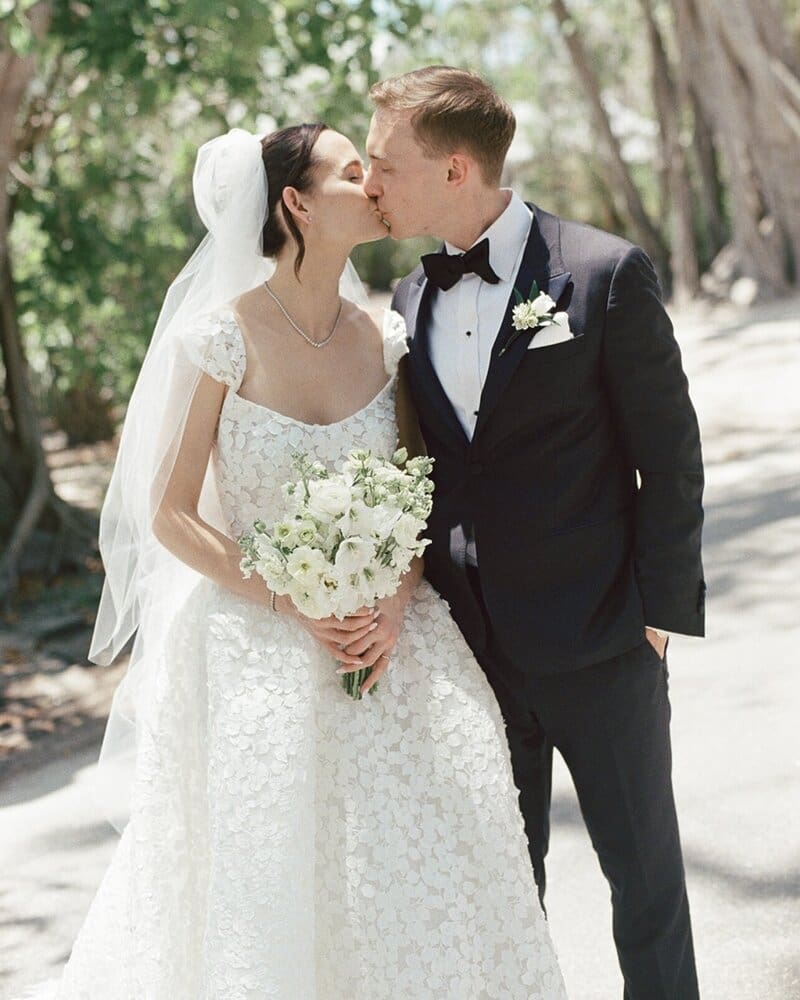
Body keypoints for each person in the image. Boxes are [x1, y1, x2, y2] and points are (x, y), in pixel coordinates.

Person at [17, 125, 566, 999]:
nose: (375, 182)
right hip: (257, 639)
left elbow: (415, 491)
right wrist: (291, 598)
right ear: (297, 204)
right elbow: (167, 513)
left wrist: (389, 603)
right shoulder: (219, 340)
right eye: (355, 172)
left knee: (439, 842)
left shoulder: (386, 334)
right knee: (278, 881)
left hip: (393, 636)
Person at [365, 66, 705, 1000]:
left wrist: (658, 614)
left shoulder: (601, 273)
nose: (370, 182)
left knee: (645, 887)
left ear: (456, 167)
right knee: (506, 899)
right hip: (473, 657)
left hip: (604, 640)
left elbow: (669, 456)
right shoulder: (405, 302)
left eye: (386, 162)